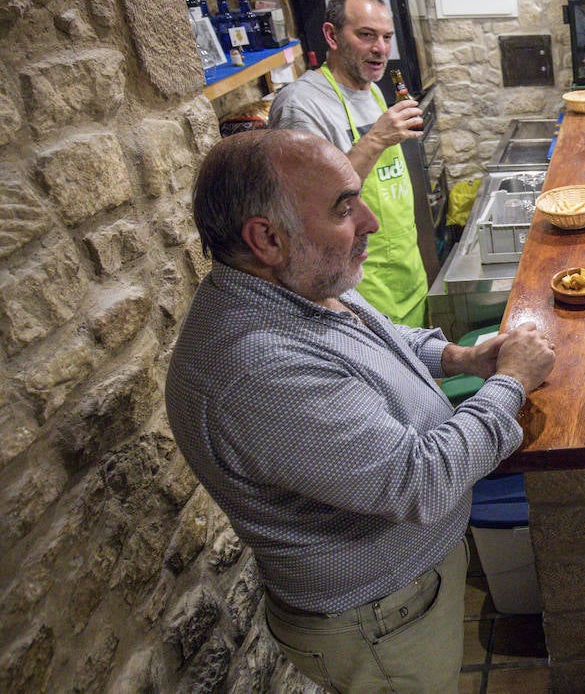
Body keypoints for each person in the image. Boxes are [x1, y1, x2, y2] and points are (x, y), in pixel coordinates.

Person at [165, 129, 555, 692]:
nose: (369, 221)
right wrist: (511, 382)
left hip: (405, 589)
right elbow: (419, 481)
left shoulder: (298, 280)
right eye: (344, 208)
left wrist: (461, 357)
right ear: (267, 238)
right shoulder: (255, 367)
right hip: (380, 618)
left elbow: (380, 338)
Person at [269, 0, 428, 326]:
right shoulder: (301, 105)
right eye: (366, 35)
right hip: (356, 291)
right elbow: (308, 206)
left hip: (406, 274)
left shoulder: (373, 91)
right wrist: (376, 139)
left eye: (386, 37)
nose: (380, 48)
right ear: (332, 35)